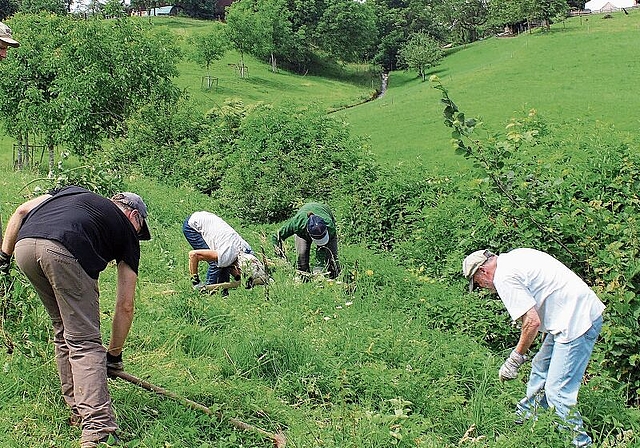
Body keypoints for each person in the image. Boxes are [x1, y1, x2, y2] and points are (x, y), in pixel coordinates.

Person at [0, 185, 151, 448]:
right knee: (85, 342)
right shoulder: (127, 230)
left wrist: (3, 257)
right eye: (140, 229)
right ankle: (99, 429)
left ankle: (78, 409)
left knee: (63, 330)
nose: (137, 234)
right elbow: (125, 304)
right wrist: (113, 356)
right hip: (64, 251)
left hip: (25, 245)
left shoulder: (72, 192)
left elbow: (23, 210)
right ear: (134, 216)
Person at [462, 248, 605, 447]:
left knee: (558, 391)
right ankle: (527, 419)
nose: (484, 287)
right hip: (569, 316)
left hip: (577, 322)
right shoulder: (515, 256)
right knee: (541, 365)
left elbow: (532, 322)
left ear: (483, 272)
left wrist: (515, 359)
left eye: (478, 283)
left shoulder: (504, 278)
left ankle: (580, 443)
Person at [183, 211, 267, 293]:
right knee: (216, 264)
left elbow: (233, 263)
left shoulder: (247, 250)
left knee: (224, 264)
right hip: (193, 226)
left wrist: (243, 279)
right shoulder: (226, 255)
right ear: (238, 268)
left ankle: (223, 294)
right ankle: (211, 295)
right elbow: (193, 255)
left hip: (208, 220)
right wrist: (195, 281)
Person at [271, 202, 340, 279]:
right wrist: (280, 256)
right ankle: (304, 280)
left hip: (323, 211)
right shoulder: (297, 223)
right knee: (302, 259)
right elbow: (276, 236)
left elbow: (322, 248)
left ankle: (335, 278)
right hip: (302, 228)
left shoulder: (329, 226)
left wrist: (319, 267)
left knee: (332, 260)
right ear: (308, 231)